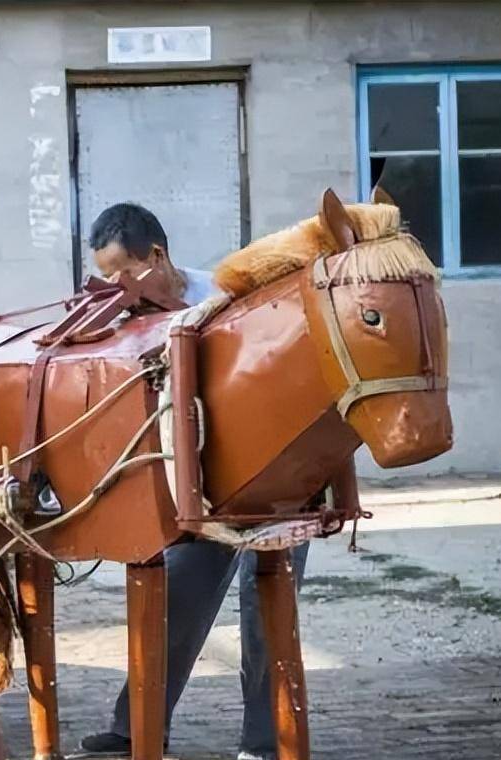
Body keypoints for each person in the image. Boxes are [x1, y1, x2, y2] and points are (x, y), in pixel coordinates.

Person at [78, 203, 310, 760]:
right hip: (197, 487)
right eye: (104, 274)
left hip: (271, 478)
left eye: (119, 272)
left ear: (156, 255)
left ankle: (266, 743)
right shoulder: (118, 316)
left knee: (267, 611)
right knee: (175, 598)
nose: (111, 284)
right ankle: (135, 729)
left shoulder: (231, 297)